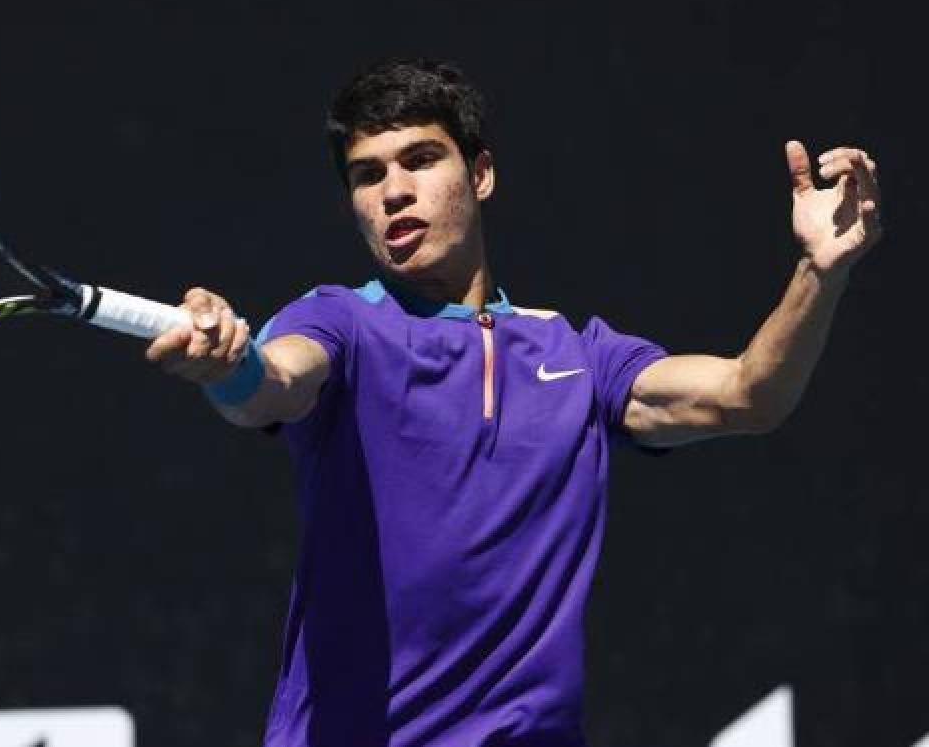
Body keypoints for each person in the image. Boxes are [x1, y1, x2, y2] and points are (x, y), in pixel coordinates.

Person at [144, 58, 883, 746]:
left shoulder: (580, 356)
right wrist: (229, 368)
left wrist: (821, 272)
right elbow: (274, 383)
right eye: (367, 176)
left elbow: (748, 396)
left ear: (482, 174)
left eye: (421, 160)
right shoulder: (340, 322)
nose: (394, 191)